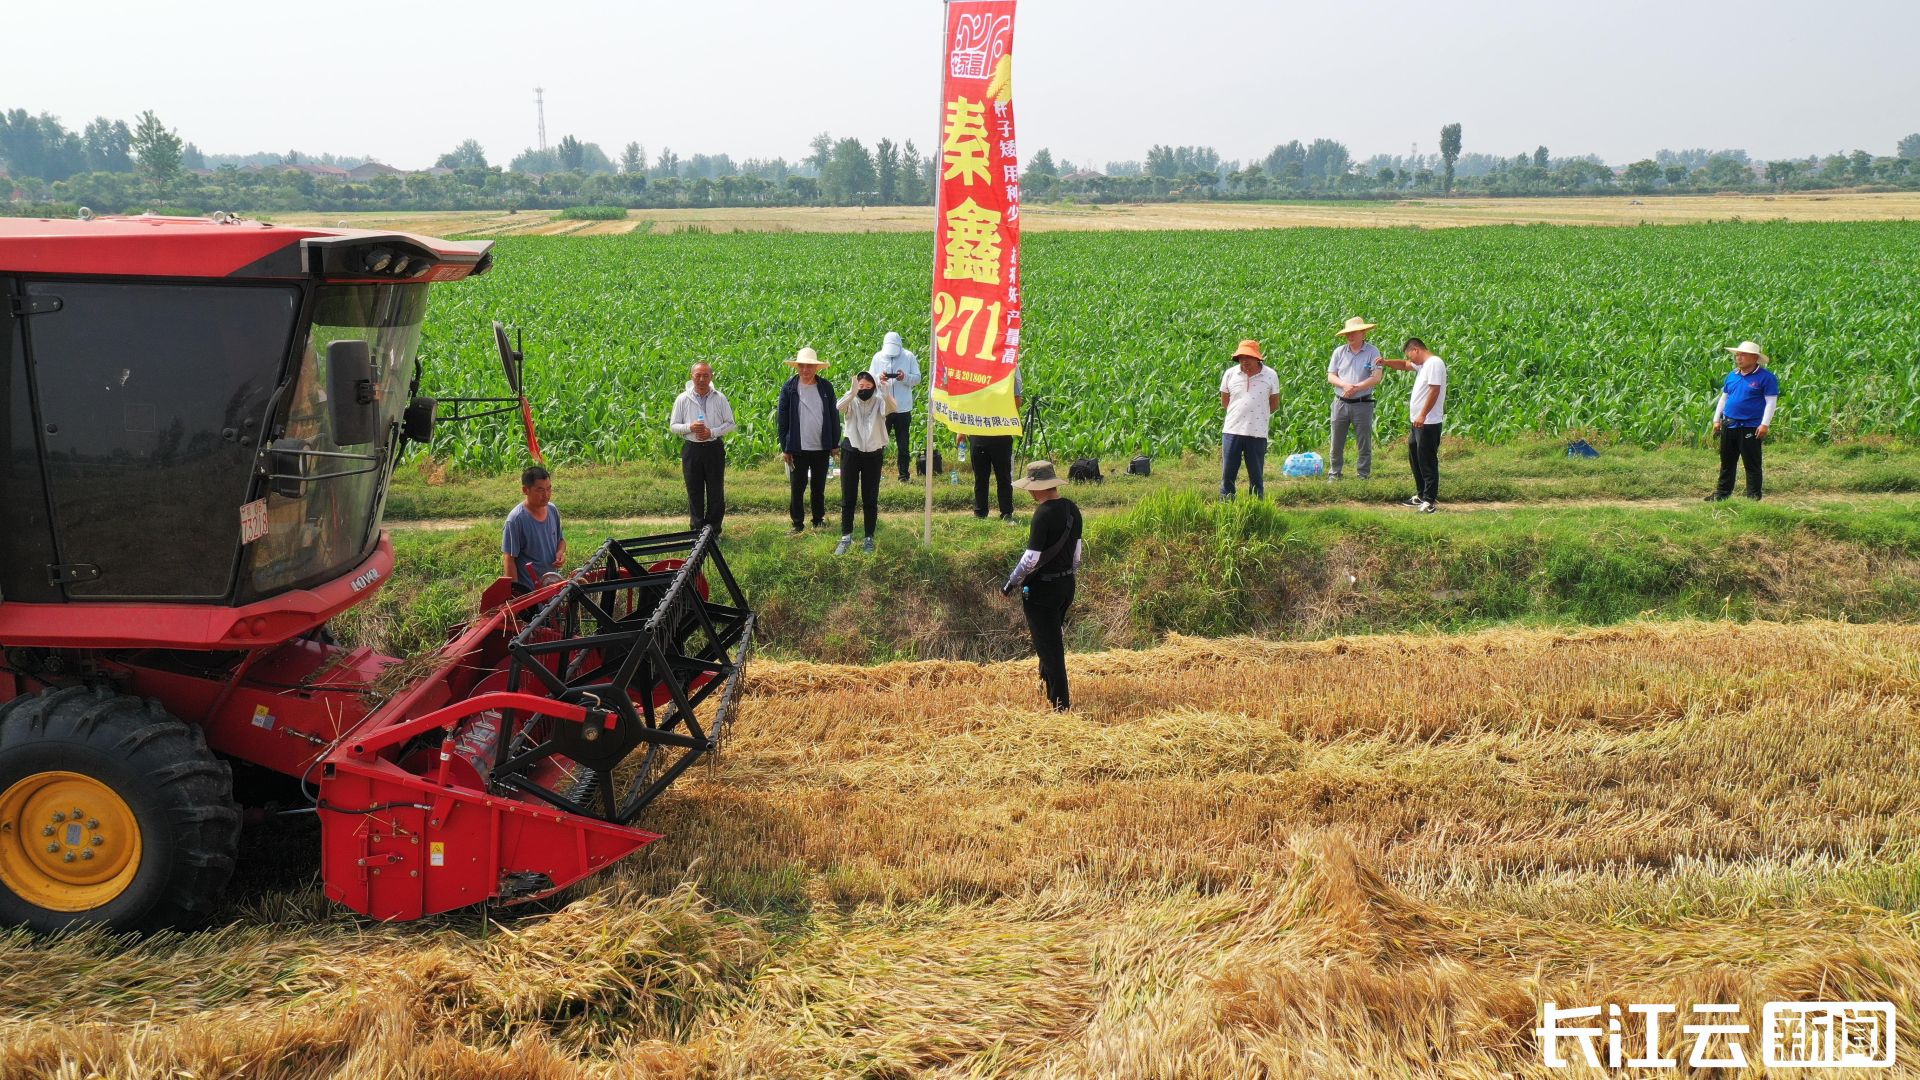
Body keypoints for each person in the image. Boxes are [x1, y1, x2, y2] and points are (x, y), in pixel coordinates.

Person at [1001, 461, 1084, 712]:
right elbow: (1077, 554)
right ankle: (1046, 690)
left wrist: (1010, 583)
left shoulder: (1043, 514)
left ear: (1038, 488)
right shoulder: (1072, 509)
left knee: (1050, 647)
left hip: (1043, 591)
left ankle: (1061, 706)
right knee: (1049, 640)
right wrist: (1065, 577)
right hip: (1066, 586)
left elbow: (1031, 559)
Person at [1378, 337, 1448, 512]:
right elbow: (1403, 365)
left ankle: (1429, 501)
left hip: (1428, 422)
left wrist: (1423, 414)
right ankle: (1421, 494)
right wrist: (1385, 362)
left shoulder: (1434, 363)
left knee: (1427, 460)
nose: (1410, 360)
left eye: (1410, 355)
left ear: (1416, 349)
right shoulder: (1422, 365)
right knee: (1415, 456)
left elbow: (1435, 390)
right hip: (1418, 422)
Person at [1706, 340, 1780, 501]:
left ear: (1754, 358)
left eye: (1743, 355)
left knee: (1752, 463)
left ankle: (1753, 497)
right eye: (1737, 355)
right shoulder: (1732, 376)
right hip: (1729, 424)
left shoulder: (1766, 378)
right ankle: (1722, 494)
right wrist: (1716, 420)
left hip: (1750, 426)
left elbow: (1771, 402)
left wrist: (1765, 424)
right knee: (1727, 462)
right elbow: (1724, 399)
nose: (1738, 358)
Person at [776, 347, 840, 533]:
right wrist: (785, 447)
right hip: (798, 447)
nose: (805, 370)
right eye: (802, 366)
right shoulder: (789, 388)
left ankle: (818, 519)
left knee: (818, 487)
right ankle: (797, 523)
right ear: (797, 367)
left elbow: (833, 415)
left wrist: (834, 443)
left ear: (816, 368)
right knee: (797, 487)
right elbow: (782, 419)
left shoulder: (825, 387)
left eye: (809, 366)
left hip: (821, 446)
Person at [668, 361, 735, 534]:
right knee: (694, 491)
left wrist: (711, 432)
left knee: (715, 492)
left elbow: (730, 424)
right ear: (692, 376)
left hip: (713, 449)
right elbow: (673, 426)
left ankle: (714, 531)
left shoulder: (719, 398)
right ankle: (697, 532)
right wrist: (690, 427)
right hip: (692, 450)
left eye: (706, 375)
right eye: (698, 375)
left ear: (711, 377)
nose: (701, 379)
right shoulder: (683, 398)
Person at [835, 371, 894, 554]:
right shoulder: (851, 400)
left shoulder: (879, 401)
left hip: (874, 454)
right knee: (848, 496)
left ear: (874, 387)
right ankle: (846, 537)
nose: (864, 390)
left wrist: (885, 391)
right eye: (861, 386)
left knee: (870, 497)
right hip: (851, 451)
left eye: (869, 386)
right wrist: (852, 392)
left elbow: (892, 408)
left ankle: (869, 537)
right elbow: (838, 406)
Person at [1219, 339, 1281, 500]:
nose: (1244, 361)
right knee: (1228, 474)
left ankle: (1256, 506)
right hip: (1232, 430)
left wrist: (1257, 414)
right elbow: (1225, 401)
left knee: (1256, 475)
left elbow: (1274, 404)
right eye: (1241, 357)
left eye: (1248, 357)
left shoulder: (1270, 375)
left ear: (1257, 358)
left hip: (1257, 432)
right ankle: (1226, 504)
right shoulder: (1230, 374)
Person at [1327, 316, 1383, 480]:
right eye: (1348, 333)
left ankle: (1363, 474)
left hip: (1362, 403)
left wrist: (1356, 388)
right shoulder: (1339, 352)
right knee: (1336, 441)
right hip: (1340, 402)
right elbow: (1331, 376)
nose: (1350, 336)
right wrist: (1345, 386)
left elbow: (1376, 377)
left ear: (1363, 333)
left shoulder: (1373, 352)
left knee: (1364, 441)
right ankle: (1335, 473)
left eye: (1353, 333)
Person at [502, 464, 566, 594]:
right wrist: (516, 595)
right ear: (525, 490)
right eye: (540, 490)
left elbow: (561, 541)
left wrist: (560, 553)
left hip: (552, 587)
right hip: (530, 593)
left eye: (549, 489)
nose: (546, 495)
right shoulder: (516, 520)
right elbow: (509, 560)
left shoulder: (552, 510)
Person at [971, 368, 1023, 522]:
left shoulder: (1009, 369)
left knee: (1003, 476)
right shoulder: (974, 369)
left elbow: (1017, 400)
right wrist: (961, 430)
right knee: (980, 477)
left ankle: (1006, 512)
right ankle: (980, 513)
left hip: (1001, 431)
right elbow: (966, 402)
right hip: (978, 430)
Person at [871, 331, 921, 483]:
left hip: (902, 408)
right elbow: (869, 379)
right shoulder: (877, 357)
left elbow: (917, 378)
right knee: (879, 443)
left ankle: (904, 476)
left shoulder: (908, 356)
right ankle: (875, 473)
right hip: (883, 408)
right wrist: (879, 378)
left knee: (903, 444)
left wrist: (905, 377)